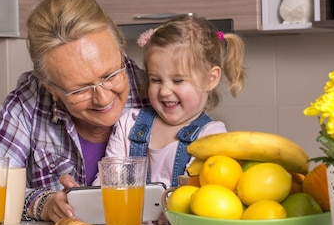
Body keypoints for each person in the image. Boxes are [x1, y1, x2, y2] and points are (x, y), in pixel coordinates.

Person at [0, 0, 148, 222]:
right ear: (51, 88)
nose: (102, 99)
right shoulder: (26, 103)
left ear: (120, 51)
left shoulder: (156, 92)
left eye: (110, 75)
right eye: (80, 89)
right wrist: (43, 203)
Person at [99, 14, 246, 188]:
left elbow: (201, 197)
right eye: (155, 80)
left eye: (178, 81)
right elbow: (104, 186)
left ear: (210, 79)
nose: (165, 91)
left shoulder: (212, 137)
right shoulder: (128, 124)